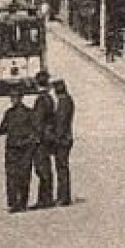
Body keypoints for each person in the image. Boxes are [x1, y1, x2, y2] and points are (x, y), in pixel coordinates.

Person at [0, 87, 39, 213]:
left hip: (24, 148)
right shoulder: (9, 113)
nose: (13, 99)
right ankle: (13, 202)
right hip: (11, 148)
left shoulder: (29, 113)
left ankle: (22, 202)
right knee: (11, 175)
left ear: (21, 98)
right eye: (11, 97)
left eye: (15, 97)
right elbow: (4, 127)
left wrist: (30, 143)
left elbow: (35, 131)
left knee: (24, 175)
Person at [29, 70, 57, 207]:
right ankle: (46, 197)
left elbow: (38, 121)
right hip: (48, 136)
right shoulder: (49, 98)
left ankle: (45, 199)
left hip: (41, 139)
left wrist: (35, 137)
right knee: (45, 168)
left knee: (42, 169)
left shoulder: (41, 100)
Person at [47, 79, 75, 207]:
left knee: (61, 168)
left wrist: (54, 139)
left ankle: (63, 197)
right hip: (66, 138)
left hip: (62, 140)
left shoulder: (64, 103)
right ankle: (63, 196)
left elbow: (61, 123)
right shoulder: (67, 100)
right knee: (62, 167)